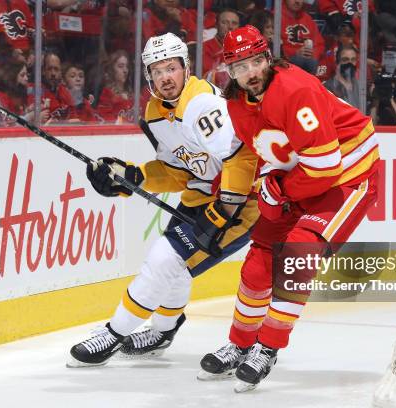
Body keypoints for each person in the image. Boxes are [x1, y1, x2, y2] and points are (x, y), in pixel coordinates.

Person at [198, 25, 379, 392]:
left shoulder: (295, 90)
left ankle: (268, 347)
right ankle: (240, 343)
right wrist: (237, 191)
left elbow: (326, 168)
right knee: (259, 261)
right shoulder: (236, 102)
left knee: (298, 252)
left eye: (254, 61)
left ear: (267, 57)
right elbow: (260, 151)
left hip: (348, 176)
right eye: (239, 66)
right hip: (297, 175)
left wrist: (277, 189)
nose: (249, 72)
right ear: (229, 72)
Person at [67, 32, 259, 367]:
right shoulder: (156, 113)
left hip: (240, 204)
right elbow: (180, 171)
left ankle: (114, 334)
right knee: (175, 268)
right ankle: (162, 332)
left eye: (171, 68)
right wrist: (133, 176)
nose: (165, 77)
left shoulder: (202, 103)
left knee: (163, 260)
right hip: (201, 198)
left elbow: (240, 158)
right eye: (156, 71)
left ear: (186, 68)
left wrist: (222, 211)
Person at [281, 0, 325, 75]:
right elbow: (274, 45)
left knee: (313, 63)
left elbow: (319, 44)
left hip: (309, 63)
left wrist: (313, 54)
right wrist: (294, 53)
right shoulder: (276, 17)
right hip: (285, 62)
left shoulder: (308, 19)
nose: (297, 1)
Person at [202, 9, 240, 89]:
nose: (230, 27)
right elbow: (207, 77)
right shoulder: (204, 47)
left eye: (234, 23)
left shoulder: (243, 49)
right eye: (225, 22)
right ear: (216, 25)